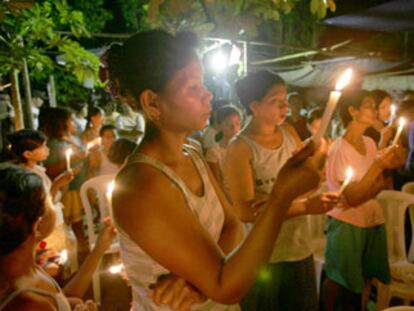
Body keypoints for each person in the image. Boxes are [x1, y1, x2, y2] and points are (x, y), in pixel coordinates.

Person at [107, 29, 328, 311]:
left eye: (204, 83)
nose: (208, 95)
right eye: (194, 87)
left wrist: (198, 283)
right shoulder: (142, 185)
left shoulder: (192, 153)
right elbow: (228, 288)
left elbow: (232, 224)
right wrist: (281, 196)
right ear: (152, 102)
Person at [224, 70, 338, 311]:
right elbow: (246, 212)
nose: (285, 106)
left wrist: (317, 160)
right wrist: (305, 206)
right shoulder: (241, 149)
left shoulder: (289, 134)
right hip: (264, 256)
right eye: (276, 101)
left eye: (285, 99)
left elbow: (301, 184)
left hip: (298, 248)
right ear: (254, 106)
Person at [322, 90, 407, 311]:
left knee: (366, 278)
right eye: (368, 104)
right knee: (342, 281)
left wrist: (369, 184)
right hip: (348, 224)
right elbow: (352, 196)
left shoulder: (369, 143)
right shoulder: (340, 149)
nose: (374, 110)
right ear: (353, 111)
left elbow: (379, 185)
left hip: (371, 219)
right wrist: (377, 169)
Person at [0, 164, 116, 311]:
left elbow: (61, 299)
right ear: (38, 225)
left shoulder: (19, 265)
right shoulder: (28, 304)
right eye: (50, 200)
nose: (54, 203)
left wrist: (99, 249)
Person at [6, 129, 76, 274]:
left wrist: (63, 183)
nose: (47, 149)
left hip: (52, 225)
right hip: (44, 231)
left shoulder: (37, 170)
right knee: (51, 265)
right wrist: (57, 184)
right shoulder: (26, 178)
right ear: (28, 154)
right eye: (43, 146)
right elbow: (41, 205)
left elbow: (54, 198)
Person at [42, 107, 89, 257]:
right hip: (66, 191)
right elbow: (49, 169)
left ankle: (82, 254)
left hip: (77, 186)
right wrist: (70, 161)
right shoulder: (53, 145)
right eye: (70, 120)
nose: (73, 122)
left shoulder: (71, 138)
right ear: (61, 123)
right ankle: (77, 257)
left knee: (80, 225)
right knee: (72, 226)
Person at [205, 105, 242, 185]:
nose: (234, 128)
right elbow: (218, 183)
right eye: (229, 125)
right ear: (219, 126)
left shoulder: (245, 147)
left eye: (238, 124)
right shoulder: (214, 152)